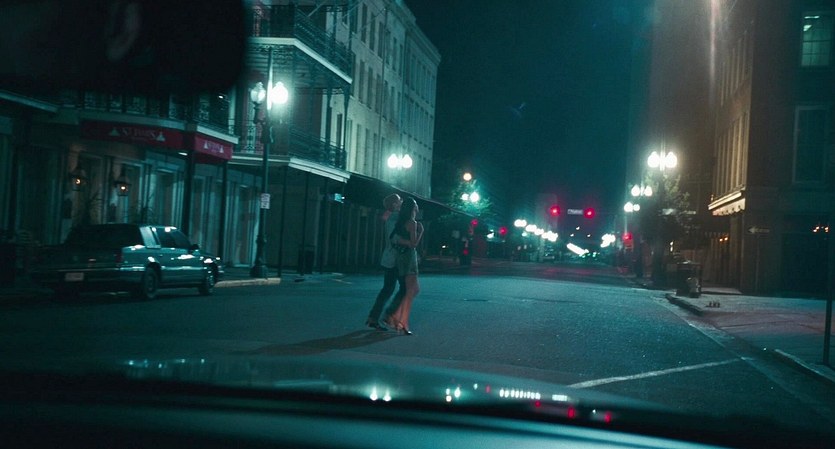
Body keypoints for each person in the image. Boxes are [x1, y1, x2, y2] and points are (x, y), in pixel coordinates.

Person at [365, 194, 406, 330]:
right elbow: (395, 238)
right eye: (399, 200)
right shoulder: (395, 218)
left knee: (388, 289)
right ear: (394, 204)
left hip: (390, 258)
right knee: (404, 288)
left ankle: (374, 317)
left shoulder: (392, 218)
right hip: (395, 259)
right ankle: (388, 314)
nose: (402, 202)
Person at [386, 198, 424, 335]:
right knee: (410, 291)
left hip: (401, 257)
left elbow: (394, 238)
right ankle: (401, 322)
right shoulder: (413, 223)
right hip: (409, 258)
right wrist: (421, 232)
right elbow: (414, 244)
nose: (418, 208)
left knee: (413, 290)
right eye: (416, 205)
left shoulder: (401, 221)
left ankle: (396, 317)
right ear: (413, 208)